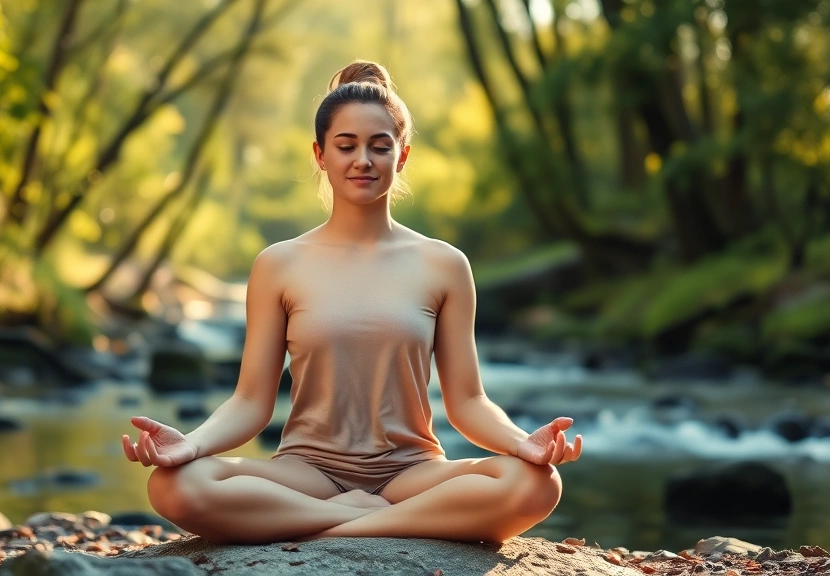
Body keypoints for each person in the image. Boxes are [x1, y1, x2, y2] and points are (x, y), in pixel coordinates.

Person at [122, 60, 583, 545]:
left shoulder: (444, 265)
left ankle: (334, 523)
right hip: (308, 472)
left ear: (401, 156)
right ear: (320, 155)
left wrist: (521, 444)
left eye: (379, 147)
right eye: (346, 146)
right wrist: (190, 444)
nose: (363, 160)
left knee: (537, 483)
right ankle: (392, 522)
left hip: (412, 473)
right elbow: (251, 401)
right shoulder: (279, 264)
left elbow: (467, 401)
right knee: (175, 486)